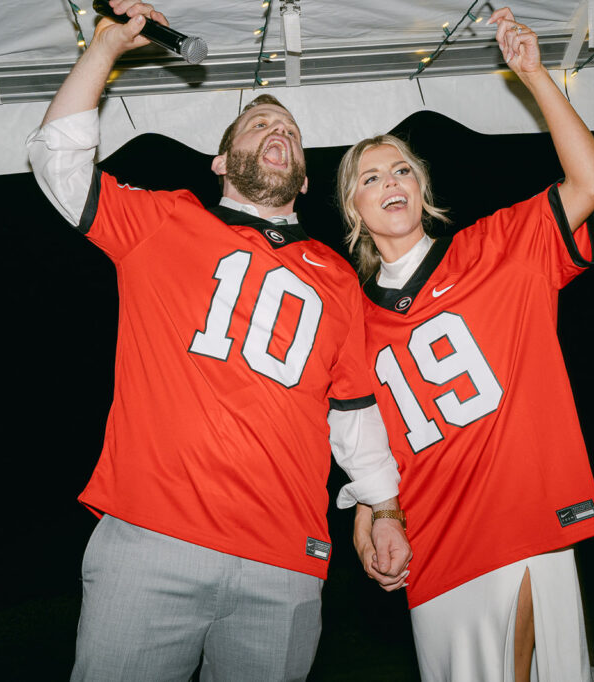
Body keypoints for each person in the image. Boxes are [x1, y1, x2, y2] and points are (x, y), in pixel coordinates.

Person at [26, 2, 410, 680]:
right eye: (258, 123)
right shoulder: (164, 223)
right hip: (152, 544)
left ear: (306, 175)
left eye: (287, 128)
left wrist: (383, 508)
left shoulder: (338, 279)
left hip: (286, 562)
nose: (275, 130)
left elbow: (352, 413)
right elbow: (57, 159)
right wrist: (108, 46)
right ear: (220, 160)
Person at [339, 8, 594, 682]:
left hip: (520, 516)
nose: (389, 183)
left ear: (421, 188)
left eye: (400, 169)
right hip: (433, 539)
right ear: (355, 210)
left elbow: (592, 183)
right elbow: (360, 439)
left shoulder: (497, 247)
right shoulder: (350, 316)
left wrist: (535, 76)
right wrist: (373, 521)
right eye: (369, 178)